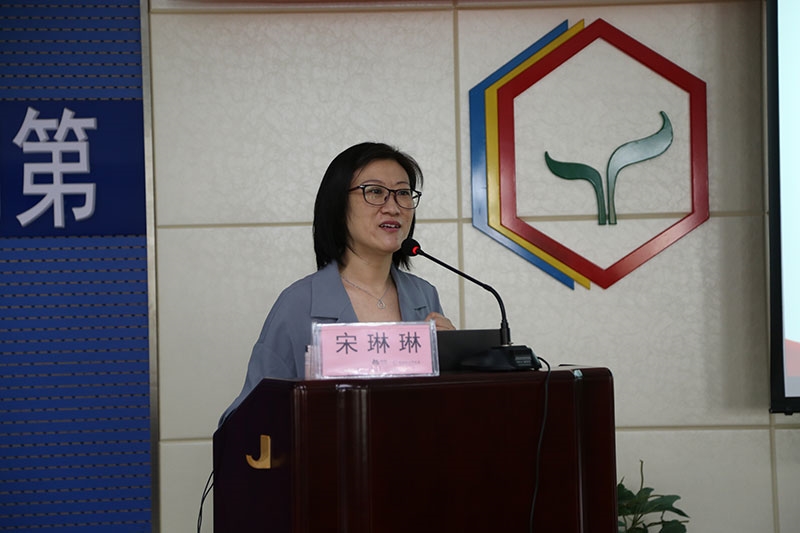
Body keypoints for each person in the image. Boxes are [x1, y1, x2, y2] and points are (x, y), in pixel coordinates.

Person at [220, 142, 454, 424]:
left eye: (403, 193)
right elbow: (245, 420)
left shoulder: (423, 295)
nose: (393, 207)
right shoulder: (299, 302)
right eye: (375, 192)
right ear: (338, 205)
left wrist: (455, 361)